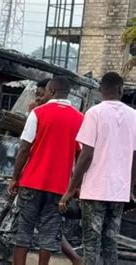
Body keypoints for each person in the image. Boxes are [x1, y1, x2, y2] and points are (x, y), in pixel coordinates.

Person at [60, 72, 136, 265]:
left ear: (101, 89)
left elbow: (86, 154)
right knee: (110, 242)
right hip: (119, 191)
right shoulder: (134, 116)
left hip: (95, 189)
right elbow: (135, 156)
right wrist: (130, 187)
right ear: (121, 90)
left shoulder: (95, 113)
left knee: (91, 243)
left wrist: (70, 189)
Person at [7, 76, 84, 265]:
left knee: (23, 232)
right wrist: (75, 187)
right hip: (59, 188)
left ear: (51, 91)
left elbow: (24, 148)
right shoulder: (80, 119)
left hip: (31, 182)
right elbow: (80, 156)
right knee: (49, 234)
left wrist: (14, 178)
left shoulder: (38, 113)